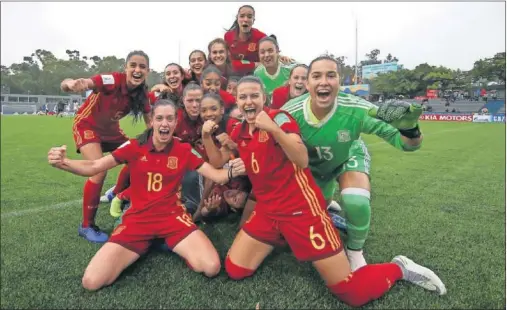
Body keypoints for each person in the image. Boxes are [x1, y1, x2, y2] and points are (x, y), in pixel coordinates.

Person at [207, 75, 445, 307]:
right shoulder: (240, 130)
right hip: (268, 212)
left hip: (301, 210)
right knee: (236, 270)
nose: (248, 101)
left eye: (254, 96)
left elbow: (301, 159)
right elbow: (218, 161)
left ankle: (399, 268)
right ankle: (285, 236)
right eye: (243, 97)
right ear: (237, 101)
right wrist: (207, 136)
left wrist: (274, 130)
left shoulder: (279, 118)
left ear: (264, 98)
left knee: (352, 293)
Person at [47, 98, 247, 291]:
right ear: (151, 121)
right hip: (138, 221)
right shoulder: (134, 146)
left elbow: (217, 176)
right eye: (159, 118)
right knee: (91, 282)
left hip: (173, 219)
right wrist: (64, 163)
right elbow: (94, 166)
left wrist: (234, 169)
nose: (165, 123)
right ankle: (152, 243)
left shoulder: (184, 149)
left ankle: (166, 242)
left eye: (170, 118)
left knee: (211, 267)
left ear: (176, 123)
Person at [281, 55, 425, 271]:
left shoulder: (358, 108)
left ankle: (355, 250)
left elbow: (408, 145)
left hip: (348, 156)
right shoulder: (290, 111)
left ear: (340, 81)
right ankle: (326, 203)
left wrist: (410, 129)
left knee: (355, 200)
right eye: (316, 76)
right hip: (313, 167)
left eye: (331, 75)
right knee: (305, 220)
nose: (323, 82)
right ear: (308, 83)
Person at [60, 50, 153, 243]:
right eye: (133, 65)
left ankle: (116, 193)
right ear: (125, 68)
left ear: (148, 71)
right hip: (87, 126)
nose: (137, 70)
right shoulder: (112, 80)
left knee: (139, 156)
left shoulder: (143, 94)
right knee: (99, 170)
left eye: (142, 67)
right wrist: (72, 84)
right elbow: (85, 82)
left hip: (112, 131)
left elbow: (150, 122)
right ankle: (86, 225)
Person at [224, 5, 292, 65]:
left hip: (255, 74)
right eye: (242, 16)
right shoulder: (228, 36)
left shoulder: (261, 37)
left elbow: (270, 51)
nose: (245, 19)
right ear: (237, 19)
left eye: (249, 17)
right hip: (235, 74)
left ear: (253, 20)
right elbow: (227, 59)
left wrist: (281, 57)